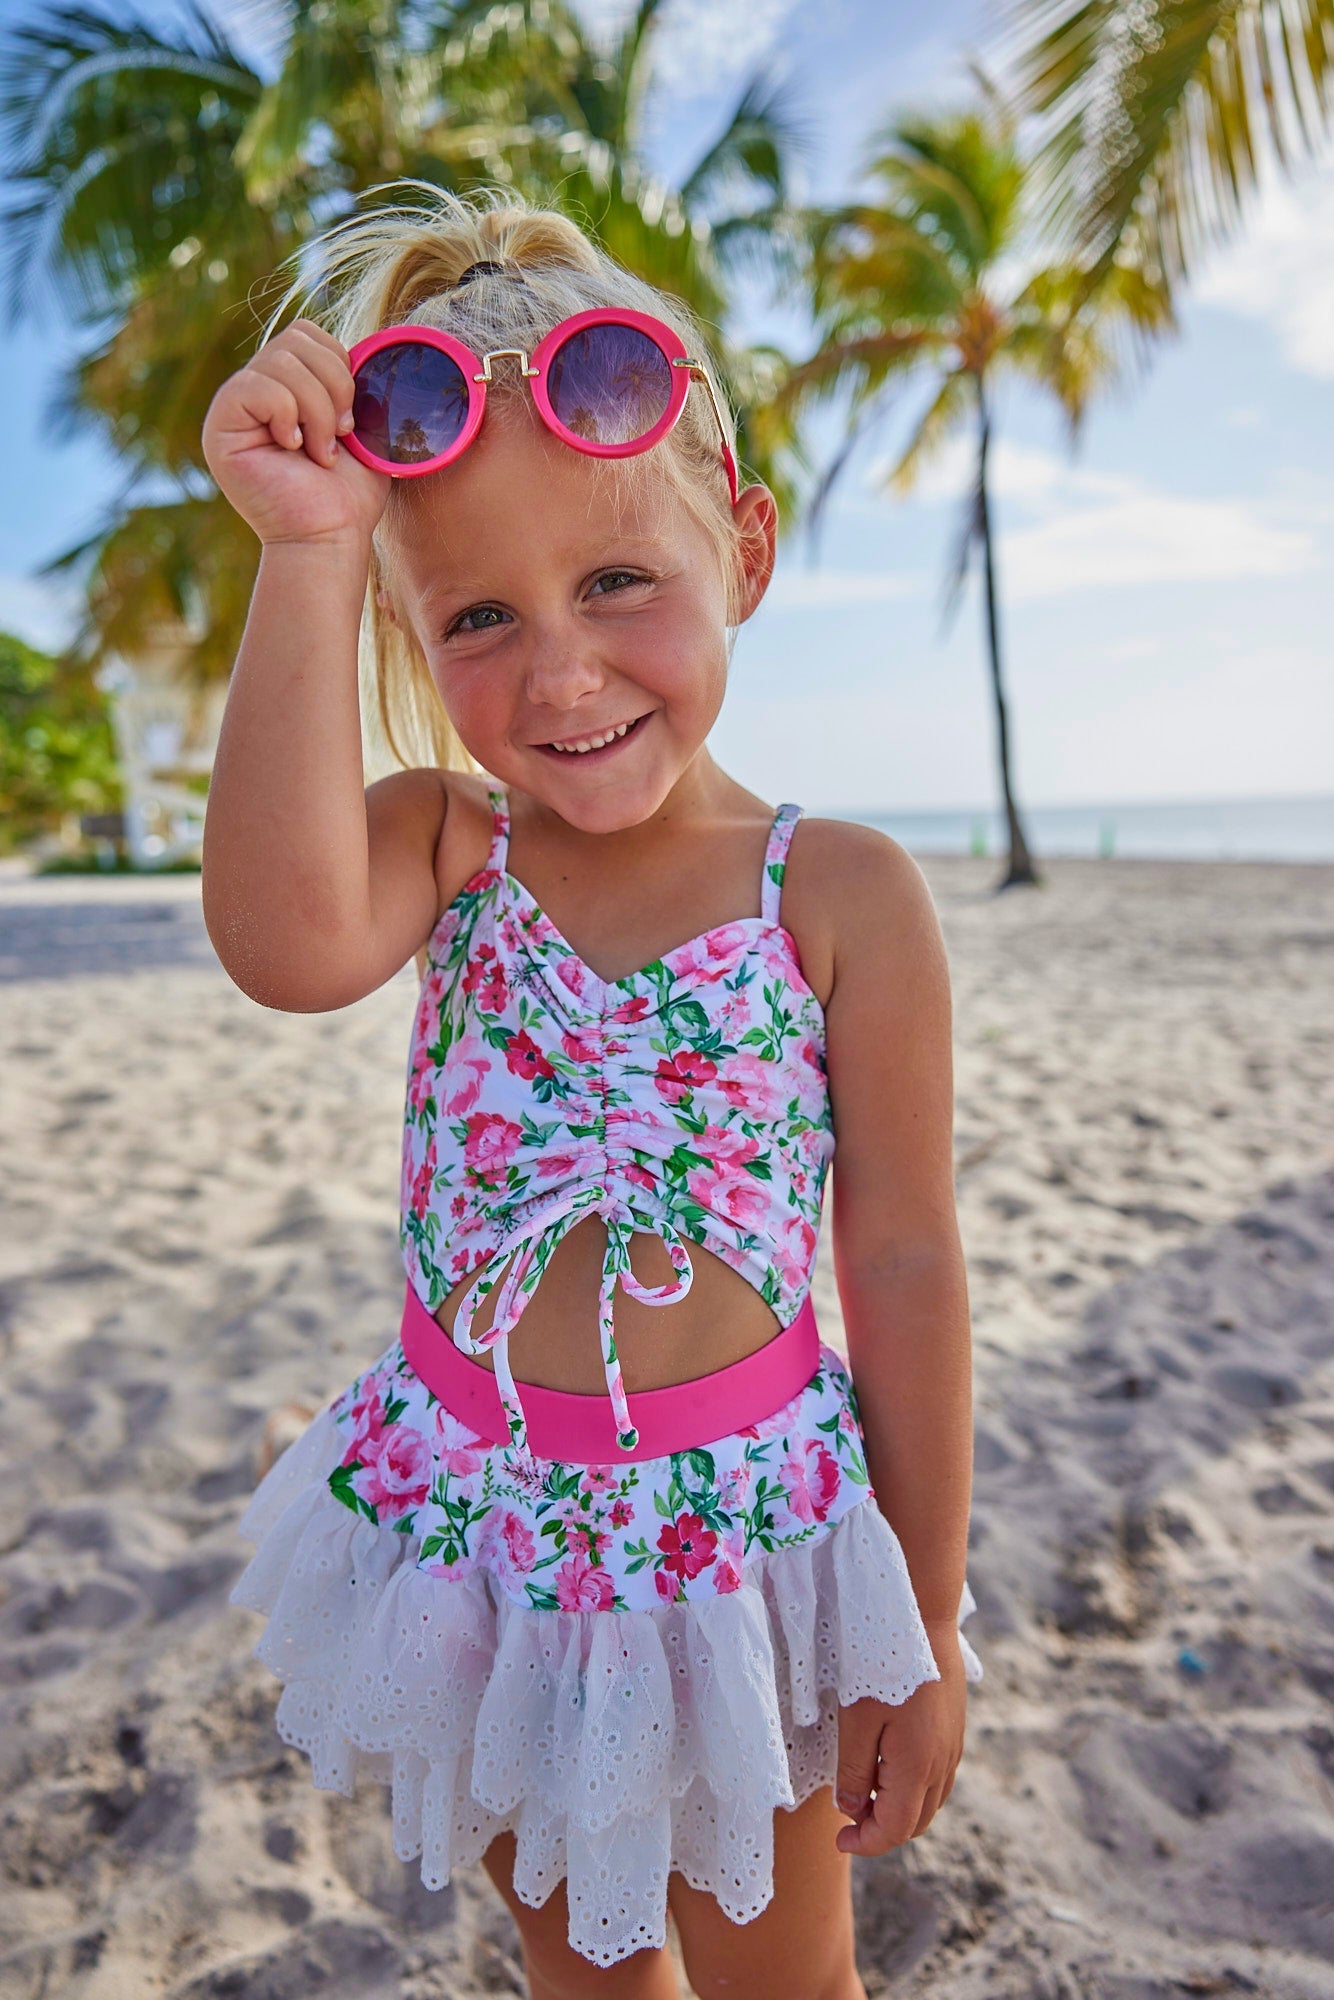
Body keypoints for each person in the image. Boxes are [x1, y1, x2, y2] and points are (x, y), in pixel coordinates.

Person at [202, 180, 983, 2000]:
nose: (557, 672)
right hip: (476, 1536)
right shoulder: (448, 848)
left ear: (748, 555)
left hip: (736, 1552)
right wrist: (311, 548)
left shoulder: (840, 891)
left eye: (618, 581)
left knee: (781, 1975)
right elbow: (277, 939)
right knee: (583, 1972)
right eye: (471, 617)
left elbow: (911, 1266)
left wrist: (920, 1626)